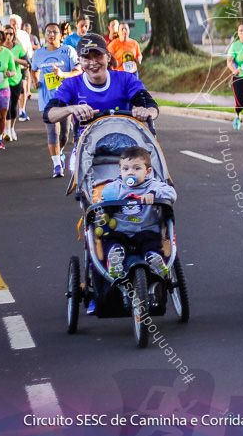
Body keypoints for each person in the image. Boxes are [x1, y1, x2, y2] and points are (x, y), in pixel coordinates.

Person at [44, 34, 160, 143]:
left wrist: (146, 112)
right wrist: (71, 109)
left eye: (98, 55)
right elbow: (49, 115)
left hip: (124, 147)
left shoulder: (126, 79)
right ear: (80, 61)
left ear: (108, 57)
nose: (93, 62)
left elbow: (152, 107)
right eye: (86, 57)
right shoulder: (70, 84)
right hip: (86, 147)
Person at [97, 146, 178, 279]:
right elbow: (102, 201)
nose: (130, 173)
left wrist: (154, 195)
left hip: (145, 229)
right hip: (121, 230)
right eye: (125, 169)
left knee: (151, 241)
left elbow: (171, 193)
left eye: (136, 168)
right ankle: (115, 259)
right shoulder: (114, 187)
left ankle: (154, 259)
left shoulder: (154, 186)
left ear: (147, 172)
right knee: (111, 240)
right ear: (120, 171)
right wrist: (104, 202)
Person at [31, 23, 81, 177]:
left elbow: (78, 71)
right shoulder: (38, 54)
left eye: (54, 32)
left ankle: (59, 152)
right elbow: (33, 69)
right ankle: (57, 165)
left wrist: (63, 75)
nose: (51, 35)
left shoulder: (68, 51)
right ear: (44, 35)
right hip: (47, 99)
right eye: (48, 32)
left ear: (61, 35)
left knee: (64, 134)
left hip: (65, 99)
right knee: (52, 131)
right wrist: (35, 81)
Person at [1, 26, 30, 141]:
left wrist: (14, 59)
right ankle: (6, 130)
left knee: (13, 106)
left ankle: (11, 128)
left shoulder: (18, 48)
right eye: (6, 34)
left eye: (10, 34)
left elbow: (27, 63)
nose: (8, 36)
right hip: (3, 82)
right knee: (6, 106)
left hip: (16, 80)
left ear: (14, 35)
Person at [0, 30, 18, 150]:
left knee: (2, 115)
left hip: (3, 88)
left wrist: (9, 73)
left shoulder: (7, 53)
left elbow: (13, 70)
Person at [8, 16, 33, 122]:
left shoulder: (24, 34)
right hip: (12, 67)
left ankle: (22, 110)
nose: (14, 25)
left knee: (23, 88)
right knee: (16, 90)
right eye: (12, 23)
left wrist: (28, 58)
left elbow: (28, 47)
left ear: (20, 24)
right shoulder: (6, 35)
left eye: (16, 23)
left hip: (23, 64)